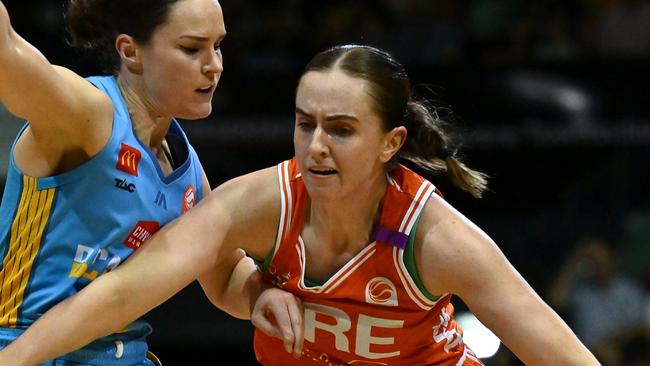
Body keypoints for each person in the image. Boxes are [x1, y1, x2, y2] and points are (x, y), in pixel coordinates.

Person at [0, 44, 600, 365]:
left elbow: (559, 354)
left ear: (391, 143)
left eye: (340, 129)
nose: (315, 147)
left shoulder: (436, 240)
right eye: (305, 123)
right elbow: (127, 291)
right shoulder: (258, 204)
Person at [0, 0, 282, 364]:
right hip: (20, 347)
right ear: (131, 52)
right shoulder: (87, 114)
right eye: (192, 48)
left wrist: (266, 296)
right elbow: (8, 53)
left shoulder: (188, 170)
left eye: (218, 46)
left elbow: (227, 276)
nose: (214, 65)